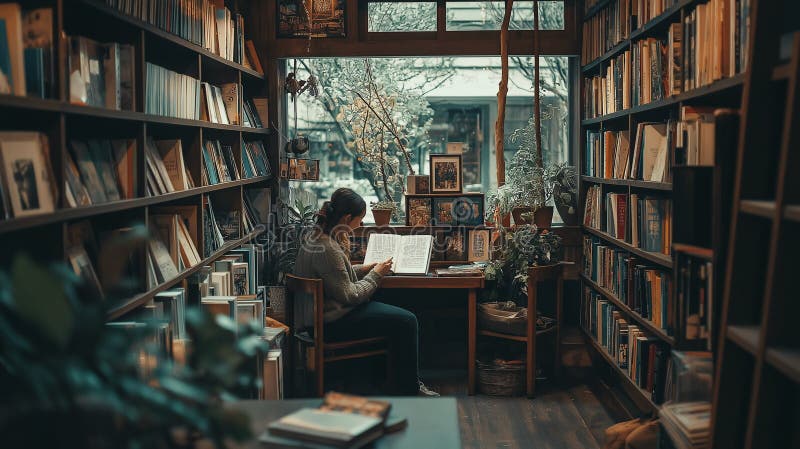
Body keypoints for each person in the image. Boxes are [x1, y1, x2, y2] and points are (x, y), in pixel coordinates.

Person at [294, 187, 439, 396]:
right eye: (359, 219)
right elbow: (351, 295)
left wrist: (366, 268)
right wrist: (377, 274)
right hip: (329, 324)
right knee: (408, 320)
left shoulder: (315, 238)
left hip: (317, 319)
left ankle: (389, 382)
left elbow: (335, 276)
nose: (360, 225)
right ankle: (409, 389)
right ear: (347, 217)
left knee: (396, 313)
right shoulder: (328, 248)